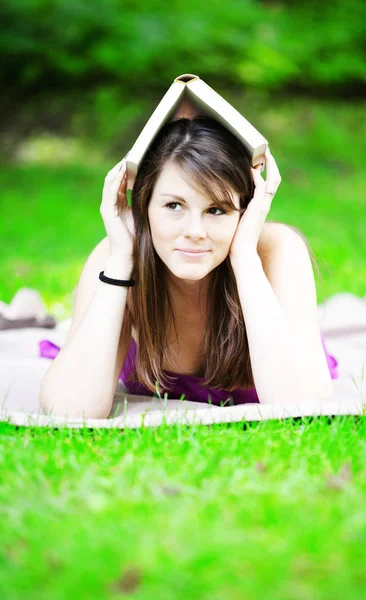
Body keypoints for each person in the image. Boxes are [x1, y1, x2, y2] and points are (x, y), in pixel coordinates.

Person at [39, 114, 337, 419]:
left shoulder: (275, 250)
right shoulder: (116, 256)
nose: (195, 230)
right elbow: (69, 409)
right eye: (173, 206)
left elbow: (303, 405)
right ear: (143, 205)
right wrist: (120, 261)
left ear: (245, 212)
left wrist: (245, 257)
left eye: (216, 209)